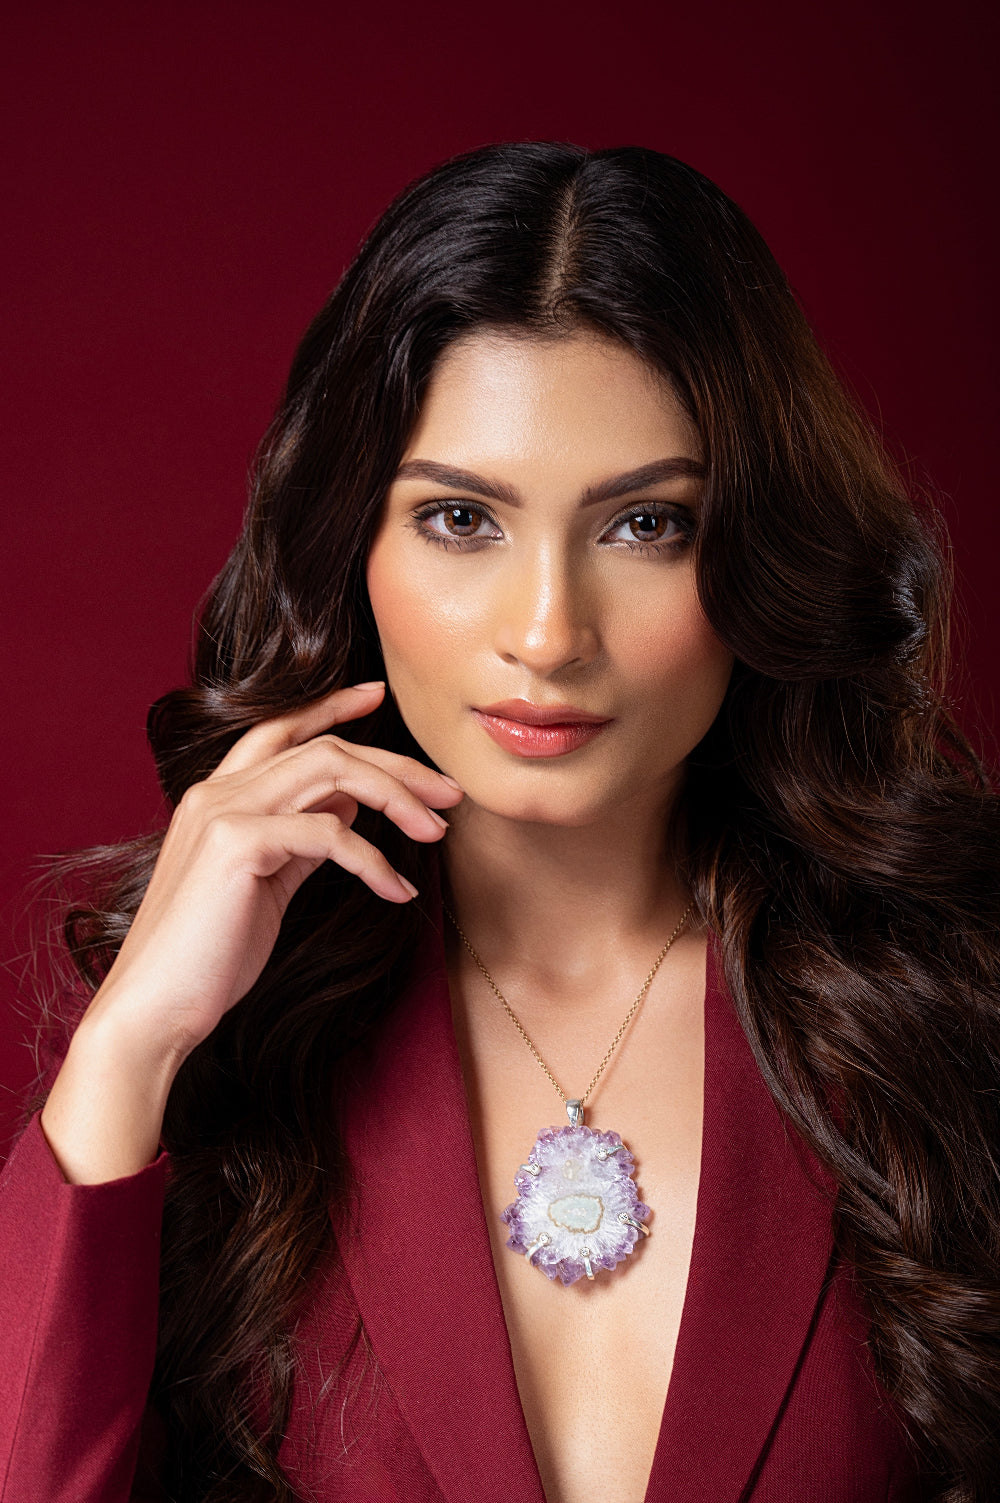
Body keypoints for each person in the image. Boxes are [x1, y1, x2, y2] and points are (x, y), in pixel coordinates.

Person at [0, 140, 997, 1503]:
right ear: (355, 538)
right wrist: (129, 1053)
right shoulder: (223, 1057)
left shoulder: (946, 1014)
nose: (546, 634)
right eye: (463, 517)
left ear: (759, 551)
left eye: (645, 524)